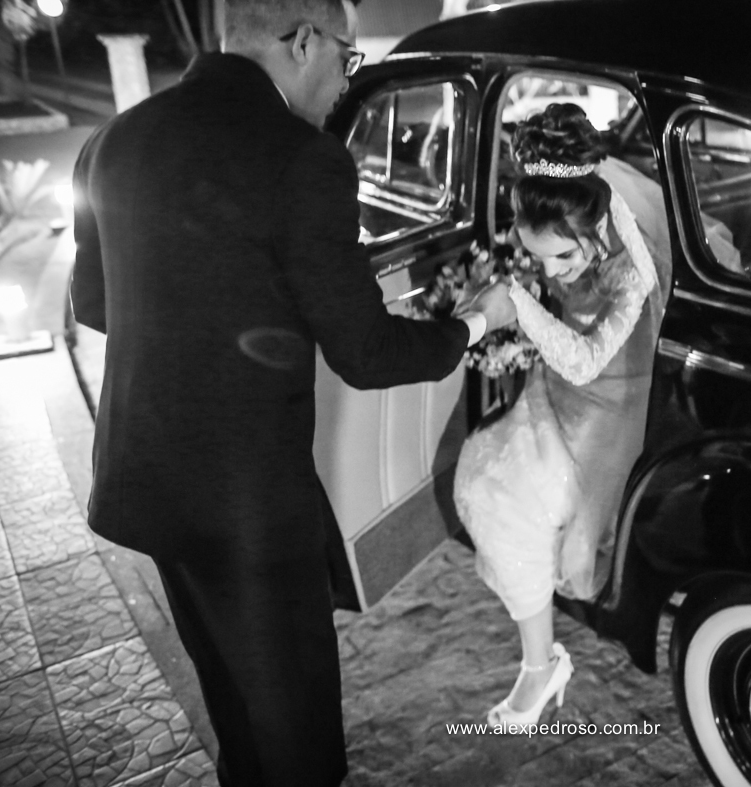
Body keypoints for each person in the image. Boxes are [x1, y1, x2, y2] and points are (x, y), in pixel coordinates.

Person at [68, 0, 512, 783]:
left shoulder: (114, 139)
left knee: (228, 682)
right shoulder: (303, 158)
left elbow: (95, 303)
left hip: (146, 474)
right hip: (246, 500)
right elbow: (367, 353)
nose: (345, 79)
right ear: (303, 41)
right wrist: (478, 320)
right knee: (296, 717)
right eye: (347, 57)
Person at [453, 103, 672, 726]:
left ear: (598, 229)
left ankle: (540, 667)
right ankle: (539, 661)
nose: (550, 272)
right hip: (559, 390)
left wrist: (518, 305)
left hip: (613, 404)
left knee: (520, 510)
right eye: (538, 258)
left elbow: (584, 360)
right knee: (485, 477)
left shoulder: (633, 272)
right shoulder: (573, 217)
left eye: (564, 260)